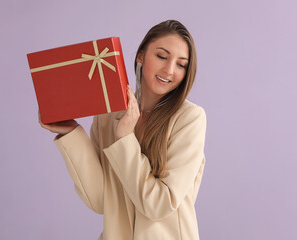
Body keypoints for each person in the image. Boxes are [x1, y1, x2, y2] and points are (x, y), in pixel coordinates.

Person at [39, 20, 207, 240]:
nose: (169, 70)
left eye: (181, 64)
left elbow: (159, 205)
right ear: (140, 56)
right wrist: (71, 132)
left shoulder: (189, 119)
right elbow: (100, 200)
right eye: (162, 56)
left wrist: (125, 138)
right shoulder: (108, 114)